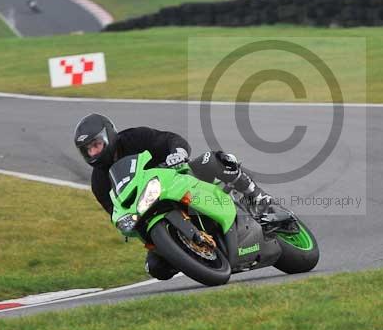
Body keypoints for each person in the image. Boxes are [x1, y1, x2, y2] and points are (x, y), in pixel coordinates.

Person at [74, 113, 274, 280]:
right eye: (88, 150)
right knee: (155, 268)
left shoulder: (134, 138)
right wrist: (125, 223)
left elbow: (169, 140)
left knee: (212, 160)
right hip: (149, 209)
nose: (93, 152)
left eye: (96, 145)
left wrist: (177, 153)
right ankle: (192, 255)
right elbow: (115, 210)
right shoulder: (99, 183)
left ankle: (256, 195)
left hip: (179, 179)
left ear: (109, 135)